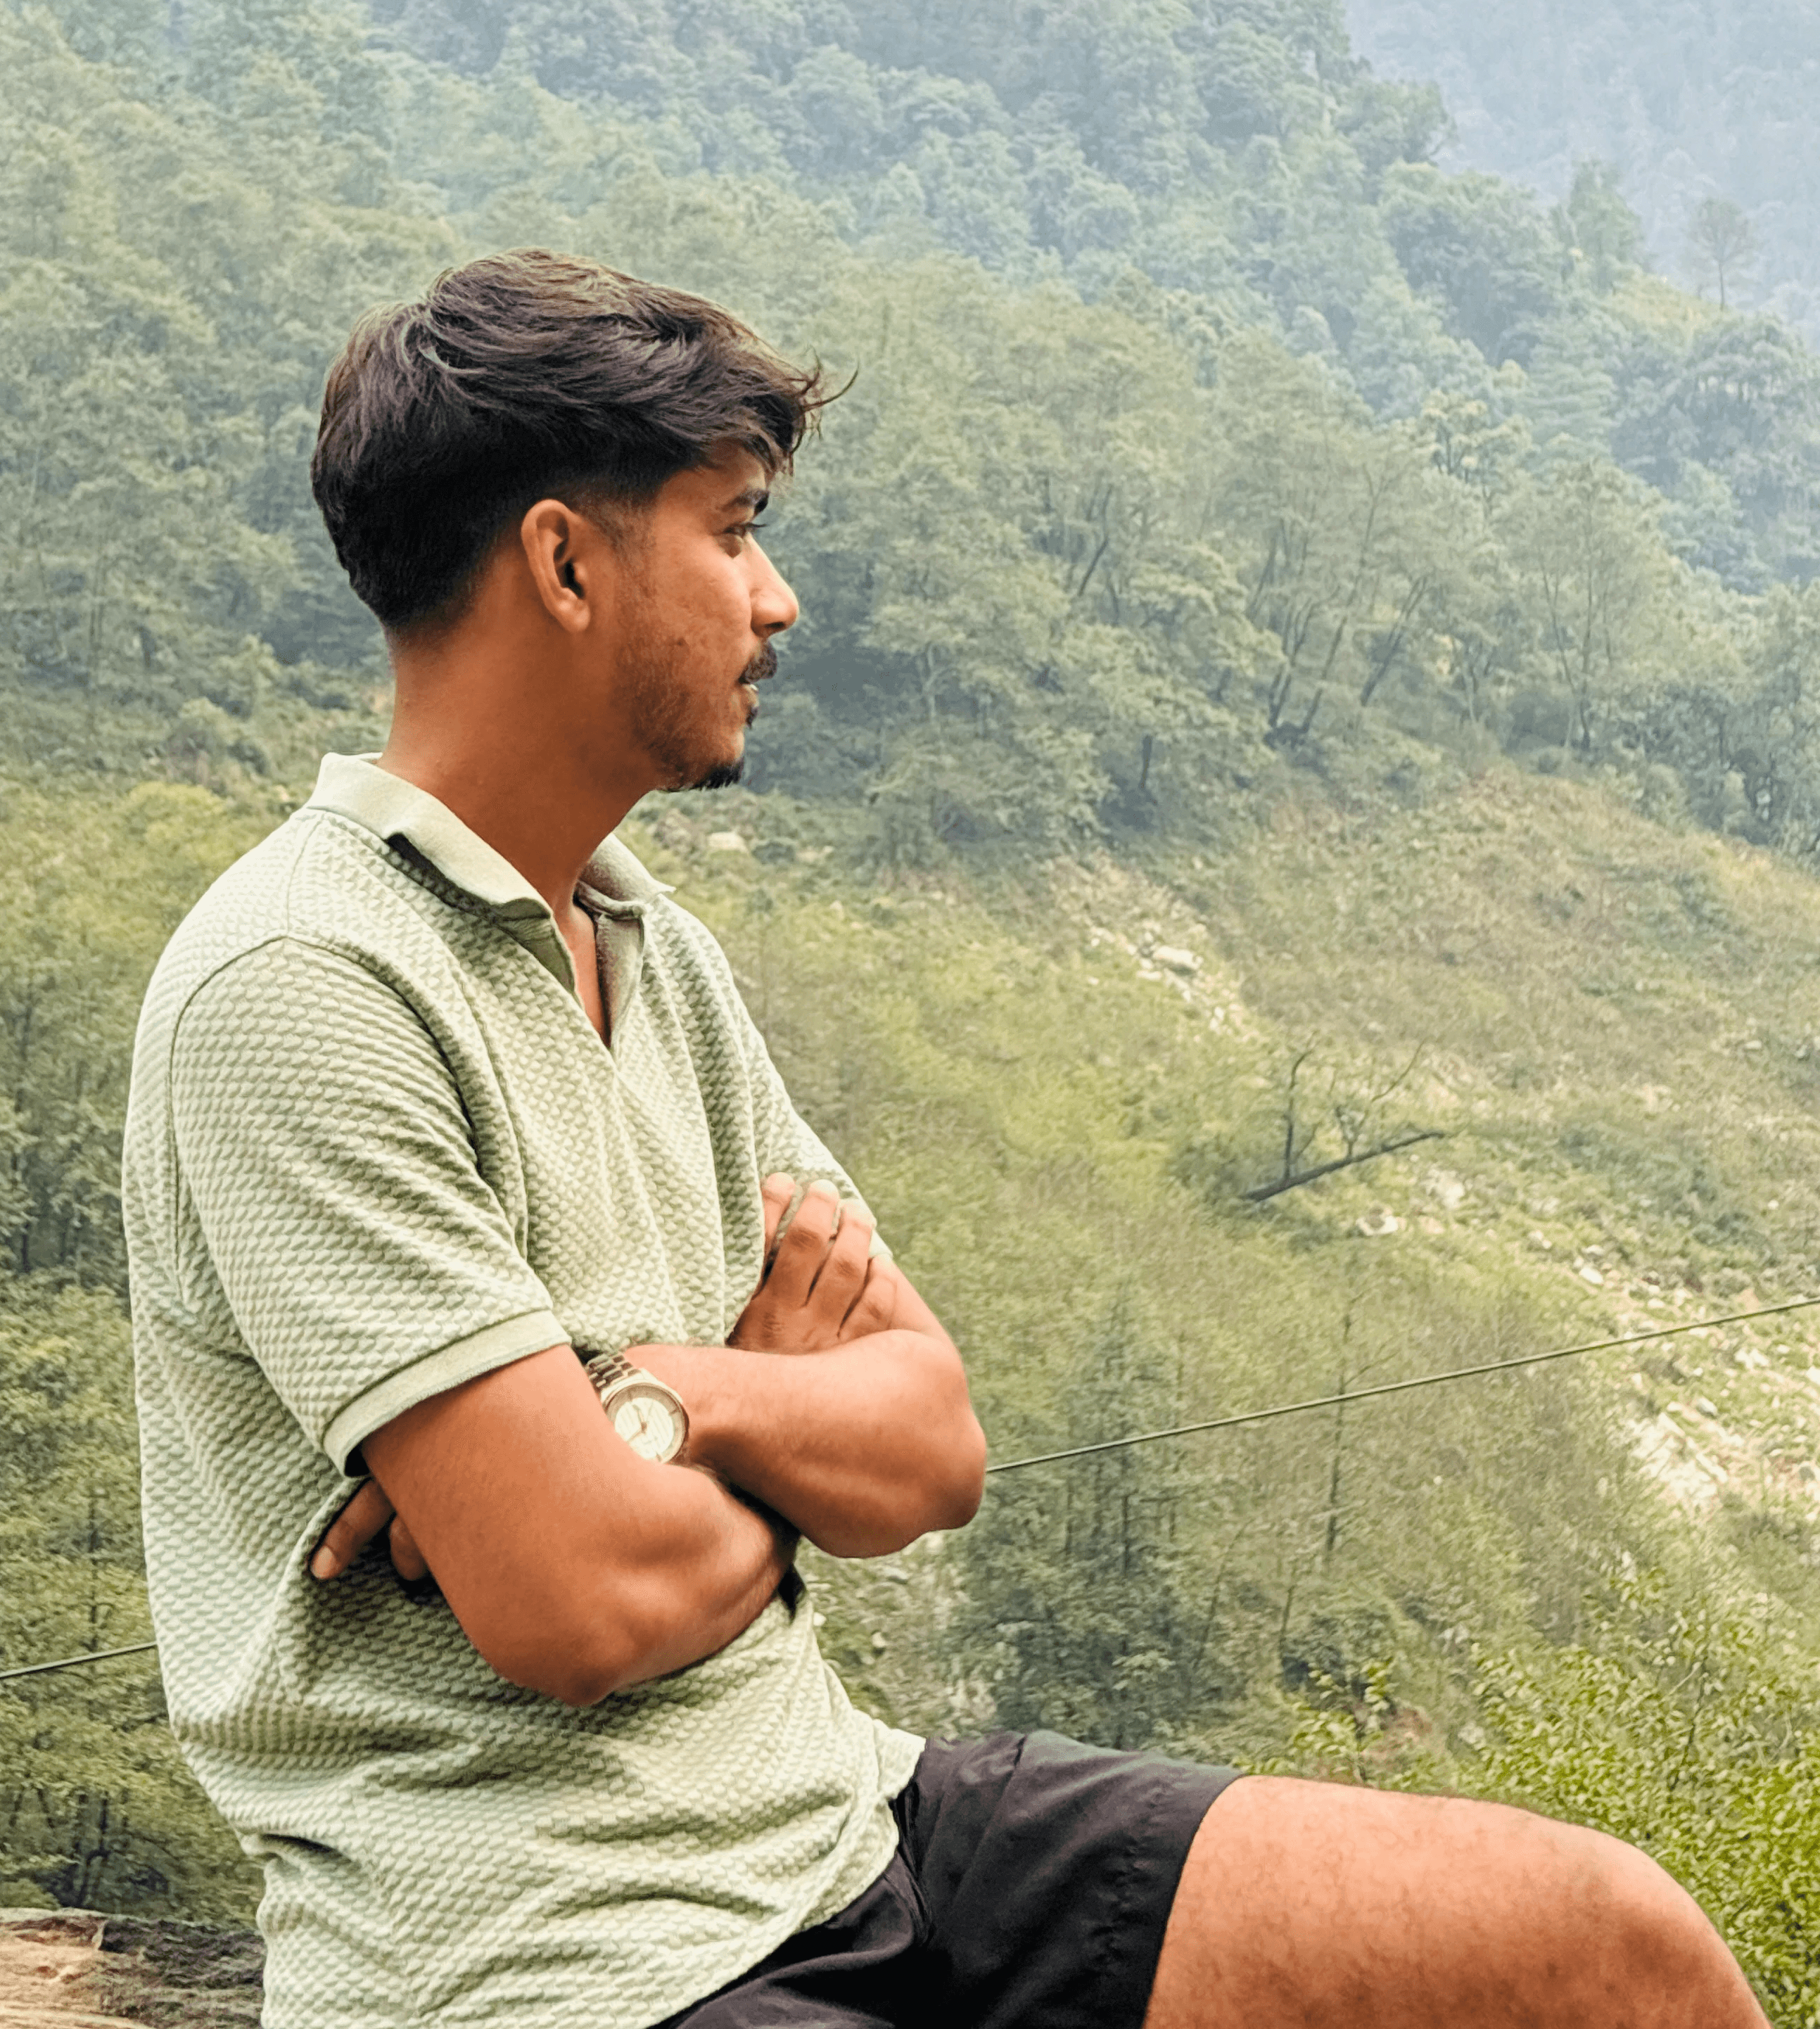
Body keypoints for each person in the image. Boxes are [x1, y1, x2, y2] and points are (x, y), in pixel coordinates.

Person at [121, 250, 1766, 2029]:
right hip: (550, 1955)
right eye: (734, 530)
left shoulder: (646, 947)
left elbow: (930, 1446)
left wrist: (675, 1398)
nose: (781, 600)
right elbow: (581, 1605)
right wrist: (726, 1449)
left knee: (1601, 1950)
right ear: (566, 562)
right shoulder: (304, 987)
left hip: (853, 1826)